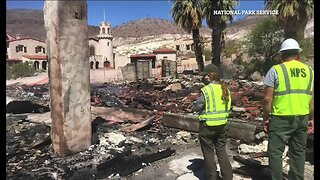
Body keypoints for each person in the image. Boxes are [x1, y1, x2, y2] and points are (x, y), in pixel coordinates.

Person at [262, 38, 314, 180]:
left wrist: (266, 118)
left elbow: (267, 99)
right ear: (298, 54)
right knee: (298, 152)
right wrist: (311, 118)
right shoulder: (310, 72)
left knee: (275, 152)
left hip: (281, 118)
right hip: (302, 118)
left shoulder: (275, 70)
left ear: (282, 55)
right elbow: (312, 98)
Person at [194, 64, 233, 180]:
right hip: (223, 126)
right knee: (222, 152)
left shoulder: (206, 90)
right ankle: (228, 177)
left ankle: (211, 177)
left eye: (204, 76)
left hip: (208, 127)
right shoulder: (226, 89)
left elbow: (197, 106)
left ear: (209, 76)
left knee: (209, 153)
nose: (203, 78)